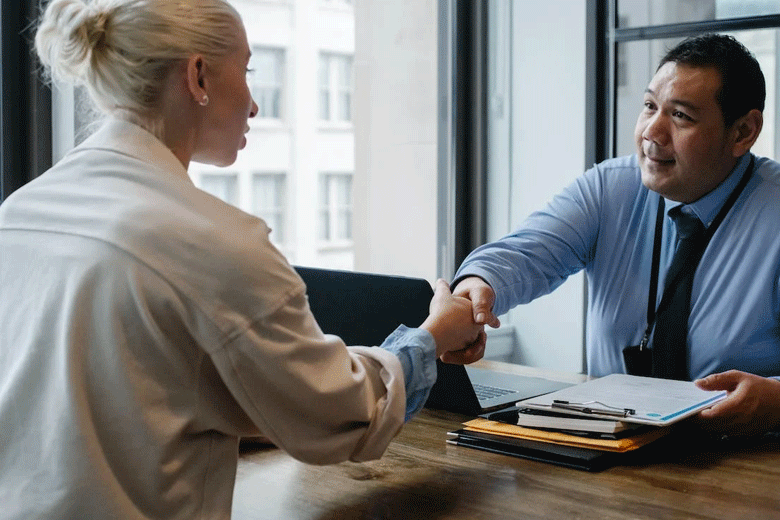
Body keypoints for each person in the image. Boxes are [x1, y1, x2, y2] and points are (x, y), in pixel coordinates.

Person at [0, 1, 485, 518]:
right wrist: (432, 337)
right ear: (198, 75)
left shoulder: (19, 213)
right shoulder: (213, 242)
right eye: (247, 70)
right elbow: (339, 415)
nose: (254, 106)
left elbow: (120, 400)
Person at [453, 33, 780, 437]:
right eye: (649, 107)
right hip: (612, 455)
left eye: (681, 116)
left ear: (743, 132)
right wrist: (478, 285)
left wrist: (777, 402)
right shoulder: (611, 187)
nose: (651, 132)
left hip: (744, 467)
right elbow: (525, 254)